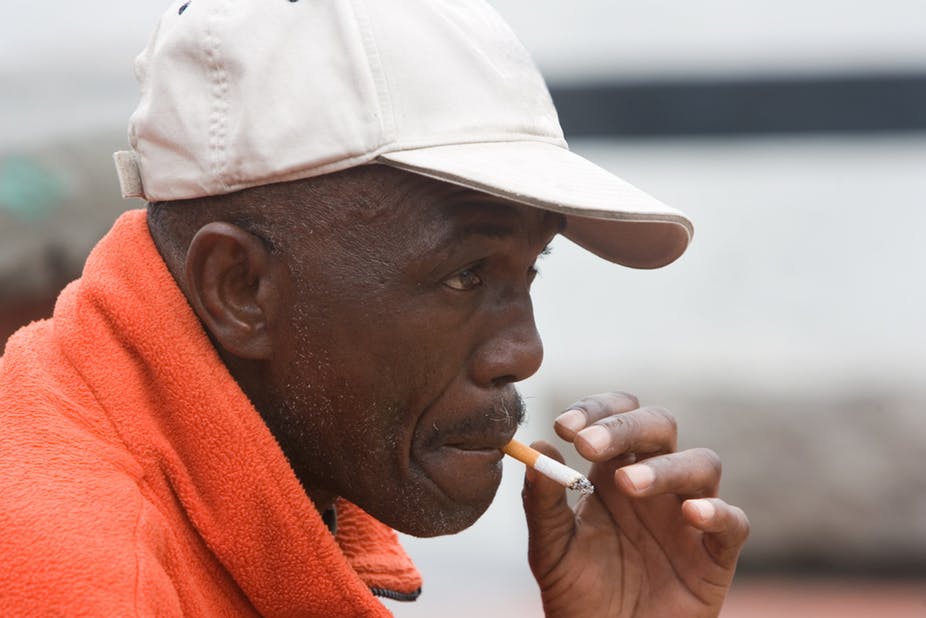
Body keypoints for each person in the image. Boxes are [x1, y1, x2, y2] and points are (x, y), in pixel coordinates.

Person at [0, 0, 749, 615]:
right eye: (464, 274)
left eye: (532, 269)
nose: (524, 353)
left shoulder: (221, 503)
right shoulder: (81, 576)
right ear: (240, 287)